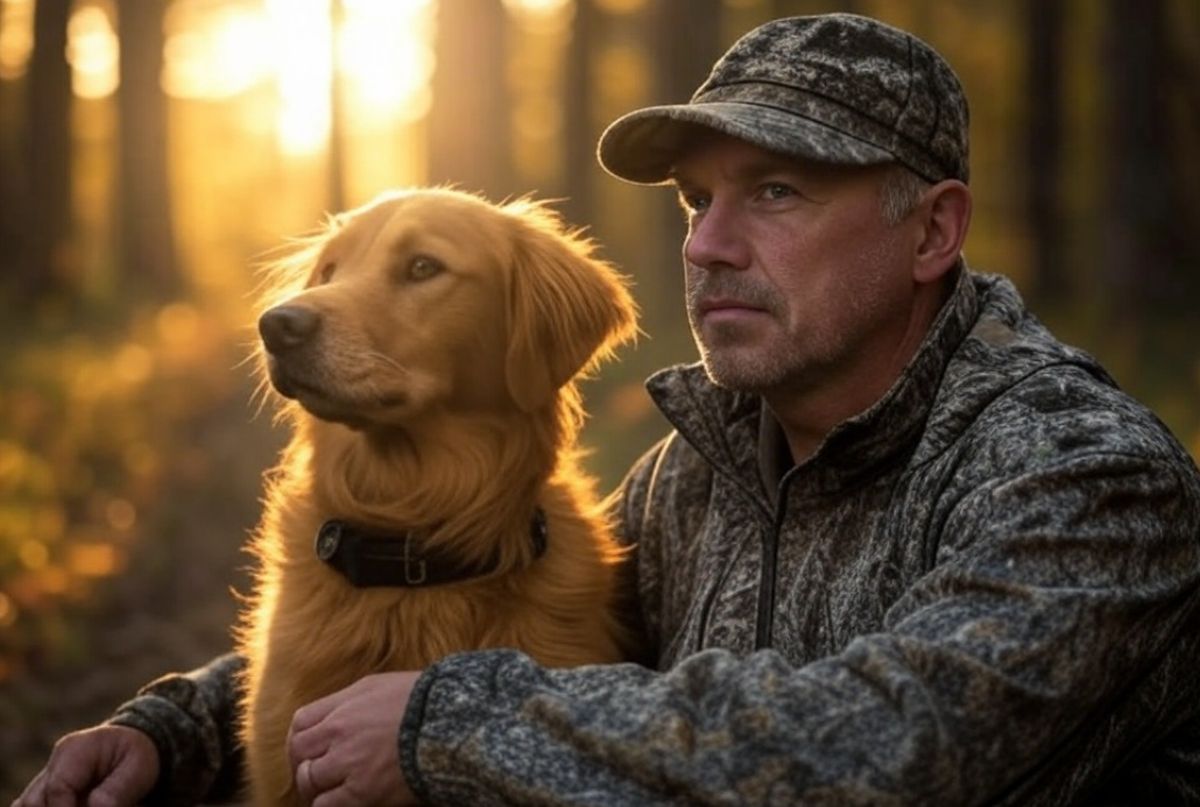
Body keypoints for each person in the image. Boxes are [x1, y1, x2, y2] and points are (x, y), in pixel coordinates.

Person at [16, 12, 1200, 806]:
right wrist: (173, 733)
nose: (714, 245)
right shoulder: (704, 470)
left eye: (776, 192)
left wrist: (450, 731)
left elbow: (899, 744)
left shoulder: (1079, 473)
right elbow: (445, 609)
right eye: (697, 201)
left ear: (934, 230)